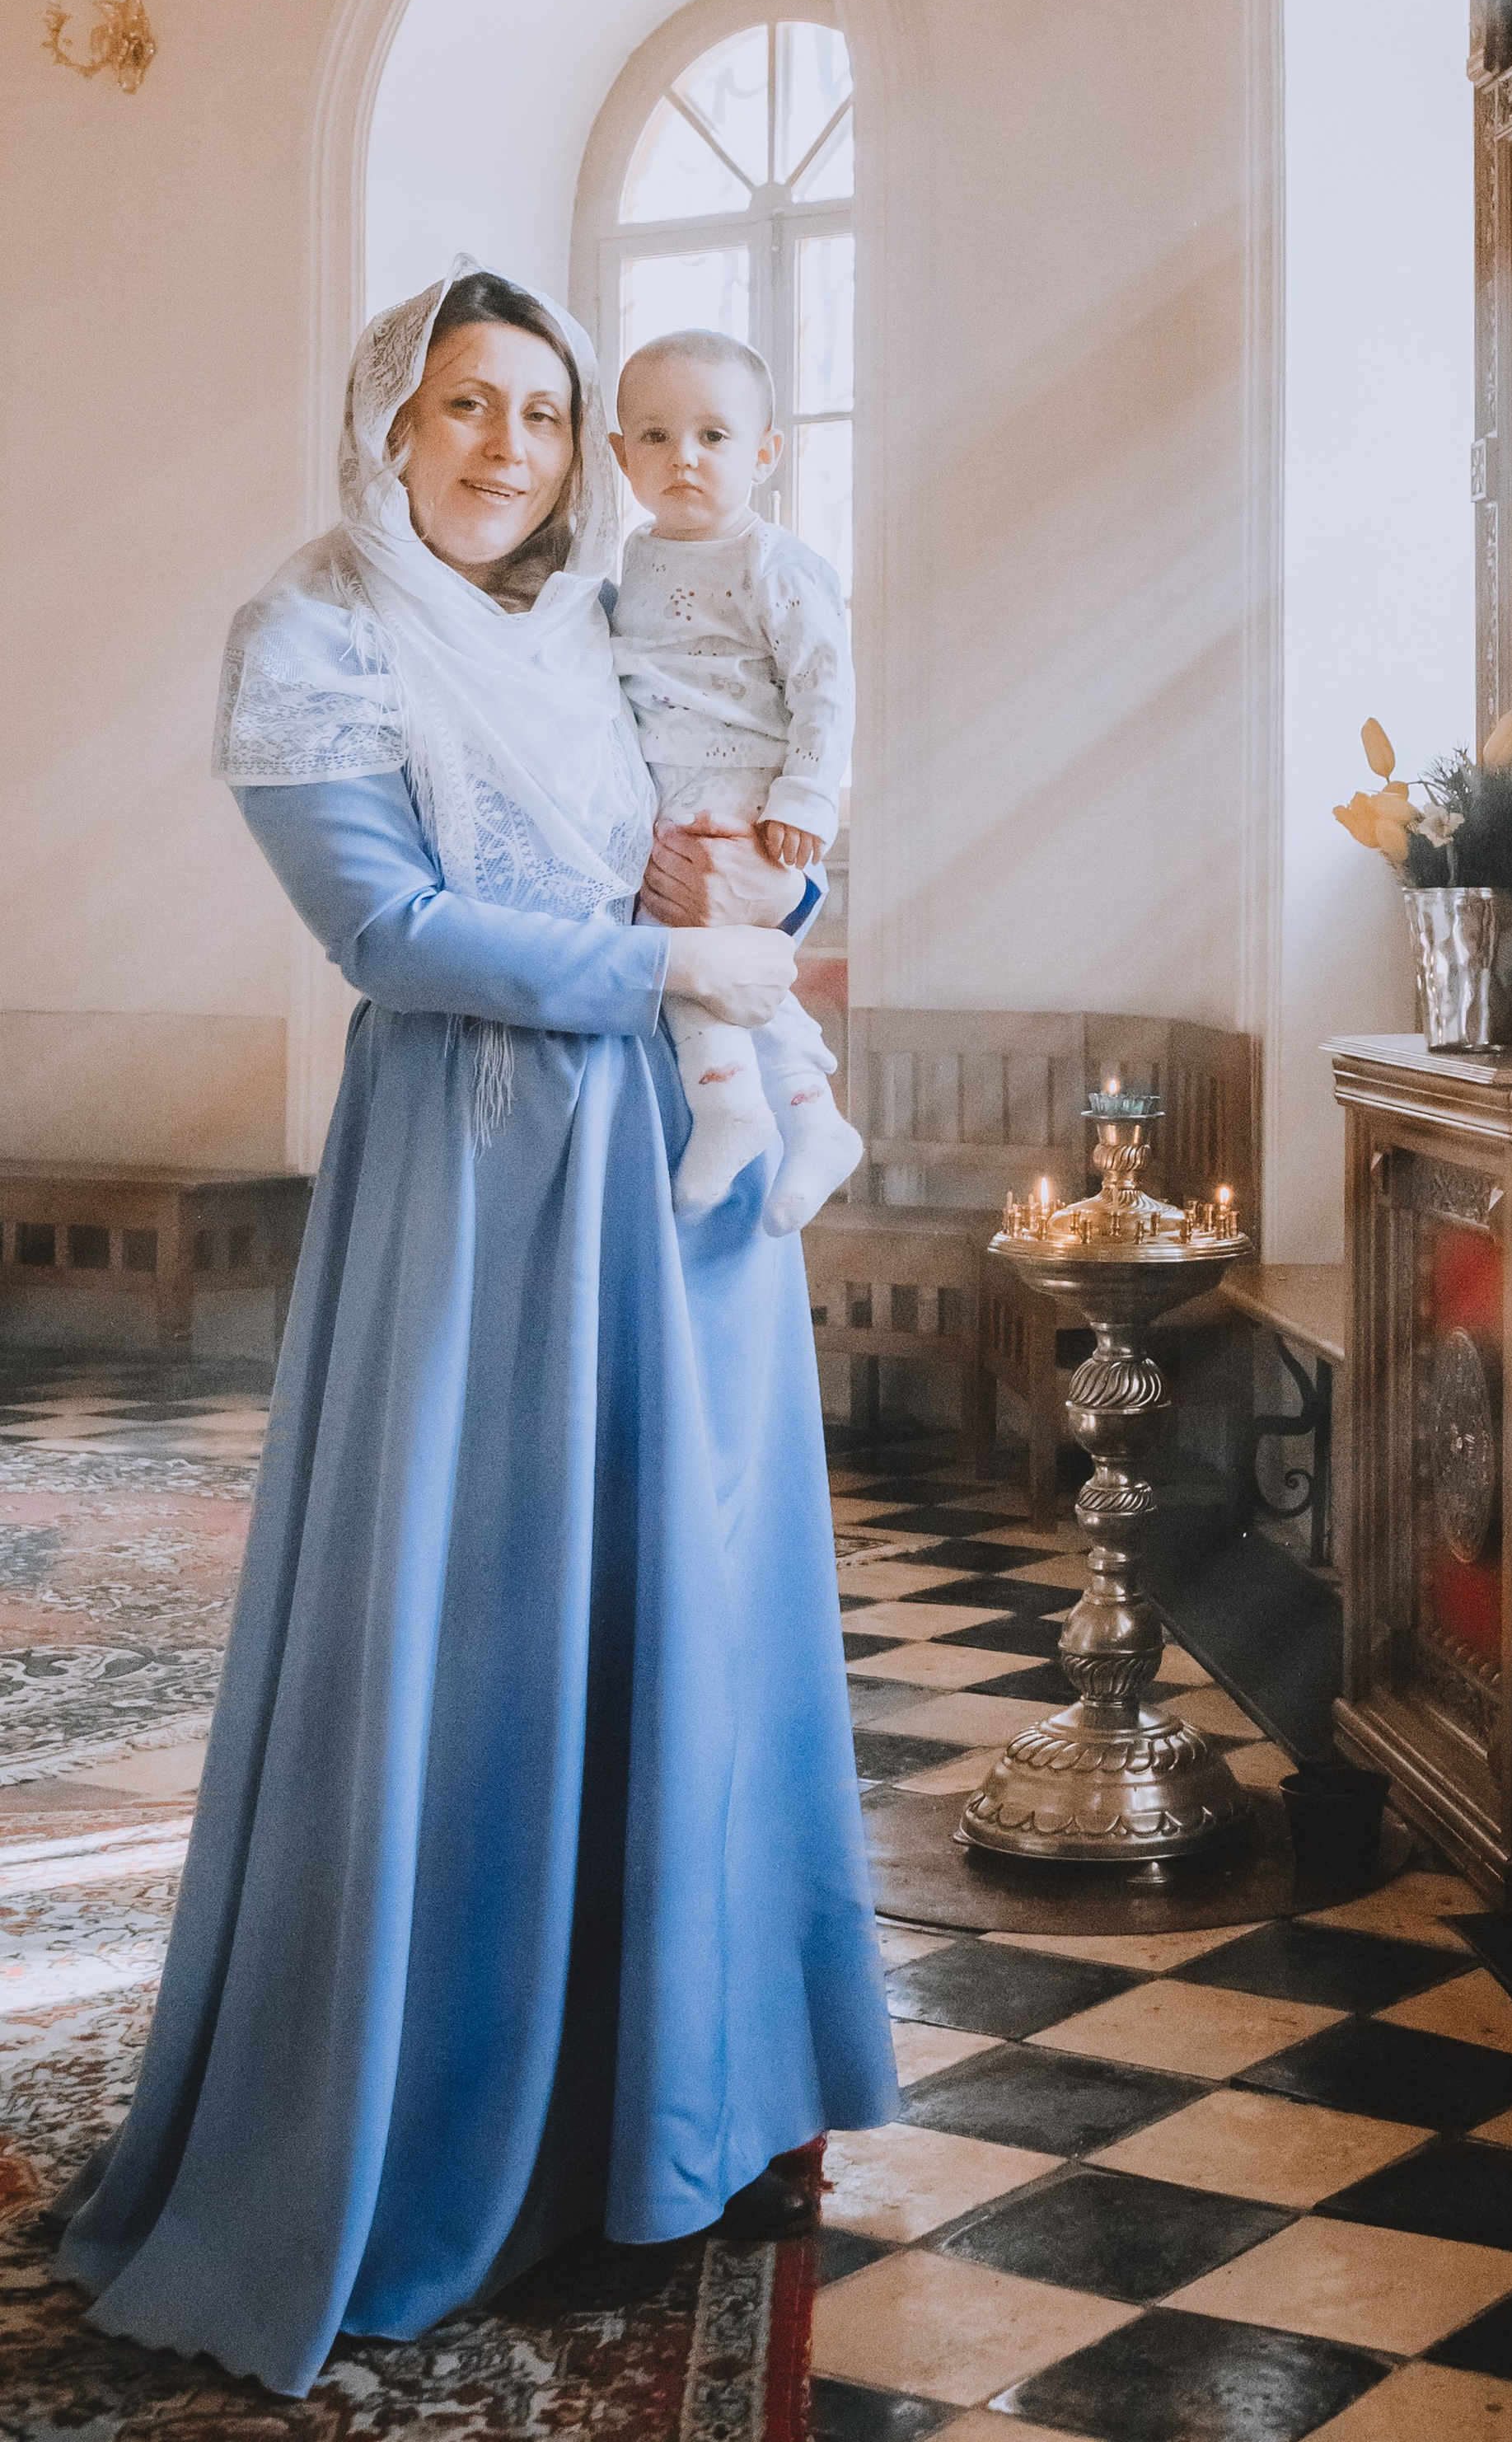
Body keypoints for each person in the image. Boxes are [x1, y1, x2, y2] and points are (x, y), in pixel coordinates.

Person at [57, 263, 897, 2398]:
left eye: (542, 410)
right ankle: (461, 2140)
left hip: (678, 1187)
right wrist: (673, 978)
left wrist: (755, 913)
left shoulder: (609, 628)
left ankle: (694, 2118)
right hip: (484, 1174)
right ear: (390, 423)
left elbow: (727, 841)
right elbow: (391, 930)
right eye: (466, 407)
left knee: (700, 1611)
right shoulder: (318, 635)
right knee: (487, 1626)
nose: (508, 447)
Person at [609, 330, 864, 1231]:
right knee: (728, 974)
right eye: (655, 436)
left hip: (742, 795)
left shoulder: (777, 562)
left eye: (714, 436)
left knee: (698, 961)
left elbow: (825, 689)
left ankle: (731, 1110)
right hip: (666, 794)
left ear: (764, 454)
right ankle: (810, 1119)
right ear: (619, 455)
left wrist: (802, 802)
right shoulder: (633, 559)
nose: (684, 457)